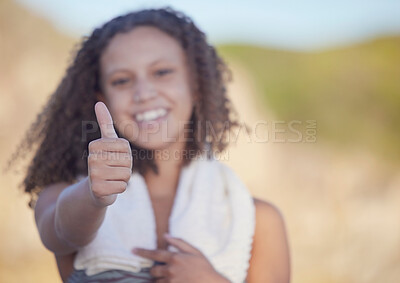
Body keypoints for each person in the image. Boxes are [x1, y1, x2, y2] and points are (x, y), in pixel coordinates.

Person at [12, 7, 290, 283]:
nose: (144, 93)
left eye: (162, 72)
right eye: (122, 80)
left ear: (194, 84)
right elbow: (61, 233)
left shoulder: (259, 222)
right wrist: (93, 195)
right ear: (102, 97)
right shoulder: (67, 198)